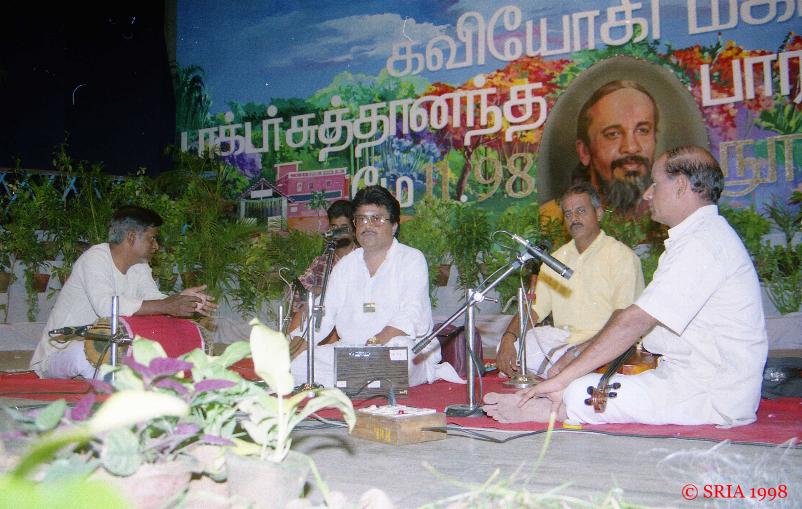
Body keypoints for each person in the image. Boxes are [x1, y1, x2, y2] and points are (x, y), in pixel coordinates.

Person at [485, 146, 768, 427]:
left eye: (655, 184)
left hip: (712, 390)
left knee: (579, 390)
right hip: (682, 376)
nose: (648, 194)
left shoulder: (703, 243)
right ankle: (557, 401)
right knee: (578, 380)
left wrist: (564, 377)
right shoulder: (698, 237)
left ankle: (549, 408)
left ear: (681, 185)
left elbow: (633, 320)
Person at [289, 185, 455, 387]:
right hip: (352, 351)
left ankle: (352, 379)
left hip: (399, 348)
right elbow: (325, 312)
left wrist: (375, 343)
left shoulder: (411, 259)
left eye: (376, 219)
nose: (367, 225)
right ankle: (361, 380)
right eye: (361, 219)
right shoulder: (345, 266)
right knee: (298, 362)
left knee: (399, 355)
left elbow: (412, 314)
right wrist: (301, 341)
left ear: (394, 226)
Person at [31, 206, 217, 379]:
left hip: (109, 347)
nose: (156, 246)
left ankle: (115, 379)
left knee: (143, 355)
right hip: (64, 350)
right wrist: (167, 305)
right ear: (131, 237)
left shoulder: (140, 265)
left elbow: (153, 300)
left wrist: (183, 299)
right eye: (152, 238)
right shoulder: (95, 258)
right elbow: (106, 307)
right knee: (83, 354)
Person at [496, 182, 644, 378]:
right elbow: (534, 310)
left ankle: (553, 378)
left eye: (581, 211)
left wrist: (580, 351)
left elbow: (622, 318)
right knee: (511, 349)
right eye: (568, 214)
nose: (574, 218)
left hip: (606, 345)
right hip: (564, 343)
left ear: (599, 213)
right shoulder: (556, 259)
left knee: (550, 364)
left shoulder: (622, 257)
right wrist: (508, 338)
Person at [541, 80, 658, 220]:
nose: (632, 147)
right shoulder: (550, 220)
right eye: (613, 134)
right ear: (584, 151)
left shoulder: (675, 216)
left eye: (642, 130)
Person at [286, 199, 357, 342]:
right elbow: (294, 291)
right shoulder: (322, 261)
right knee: (306, 309)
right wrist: (320, 292)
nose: (338, 233)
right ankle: (292, 350)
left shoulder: (363, 259)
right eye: (334, 227)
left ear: (354, 229)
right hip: (322, 325)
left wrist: (330, 295)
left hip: (353, 323)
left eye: (343, 228)